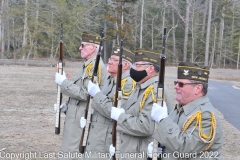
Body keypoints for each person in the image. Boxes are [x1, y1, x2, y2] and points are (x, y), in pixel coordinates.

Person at [149, 62, 223, 160]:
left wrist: (163, 120)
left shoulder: (205, 116)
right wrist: (159, 148)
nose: (176, 87)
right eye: (176, 83)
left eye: (181, 84)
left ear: (198, 88)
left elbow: (186, 147)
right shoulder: (179, 110)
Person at [109, 48, 172, 160]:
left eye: (138, 66)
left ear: (150, 69)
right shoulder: (141, 86)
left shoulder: (155, 91)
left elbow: (146, 126)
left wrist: (120, 117)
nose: (133, 69)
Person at [54, 31, 108, 160]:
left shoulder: (95, 67)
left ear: (93, 47)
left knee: (72, 154)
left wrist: (64, 83)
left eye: (83, 45)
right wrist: (67, 106)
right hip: (76, 116)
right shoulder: (88, 65)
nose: (80, 48)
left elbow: (85, 94)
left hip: (81, 117)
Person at [80, 45, 136, 159]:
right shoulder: (110, 80)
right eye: (110, 59)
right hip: (97, 137)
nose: (109, 62)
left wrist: (97, 94)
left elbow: (115, 112)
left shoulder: (128, 83)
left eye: (114, 60)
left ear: (125, 65)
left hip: (107, 139)